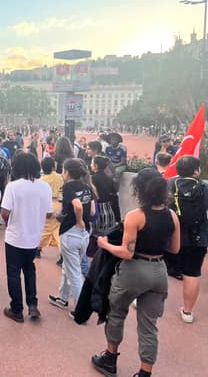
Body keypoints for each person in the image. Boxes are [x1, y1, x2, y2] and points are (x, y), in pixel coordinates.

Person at [91, 168, 180, 377]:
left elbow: (126, 252)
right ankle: (144, 372)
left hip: (134, 269)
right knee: (149, 325)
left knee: (116, 312)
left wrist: (104, 245)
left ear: (139, 189)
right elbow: (175, 249)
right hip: (159, 270)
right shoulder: (172, 216)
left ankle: (110, 359)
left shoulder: (135, 216)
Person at [1, 152, 53, 323]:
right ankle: (32, 304)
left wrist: (10, 222)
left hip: (15, 236)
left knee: (13, 272)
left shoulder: (13, 187)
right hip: (33, 236)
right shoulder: (44, 187)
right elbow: (48, 212)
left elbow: (4, 212)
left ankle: (16, 309)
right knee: (29, 269)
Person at [49, 158, 95, 312]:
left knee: (74, 272)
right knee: (68, 268)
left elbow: (77, 205)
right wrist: (83, 222)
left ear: (67, 172)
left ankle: (81, 309)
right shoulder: (87, 186)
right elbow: (93, 211)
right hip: (84, 234)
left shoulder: (69, 187)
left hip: (71, 232)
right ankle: (63, 298)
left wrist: (79, 220)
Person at [167, 156, 208, 323]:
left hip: (171, 236)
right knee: (192, 273)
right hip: (197, 238)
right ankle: (188, 312)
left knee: (157, 267)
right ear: (196, 171)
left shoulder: (169, 184)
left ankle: (140, 300)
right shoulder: (204, 188)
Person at [37, 157, 63, 259]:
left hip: (47, 205)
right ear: (53, 166)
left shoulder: (41, 180)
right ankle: (63, 254)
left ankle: (37, 249)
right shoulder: (60, 176)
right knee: (58, 230)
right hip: (59, 204)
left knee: (45, 229)